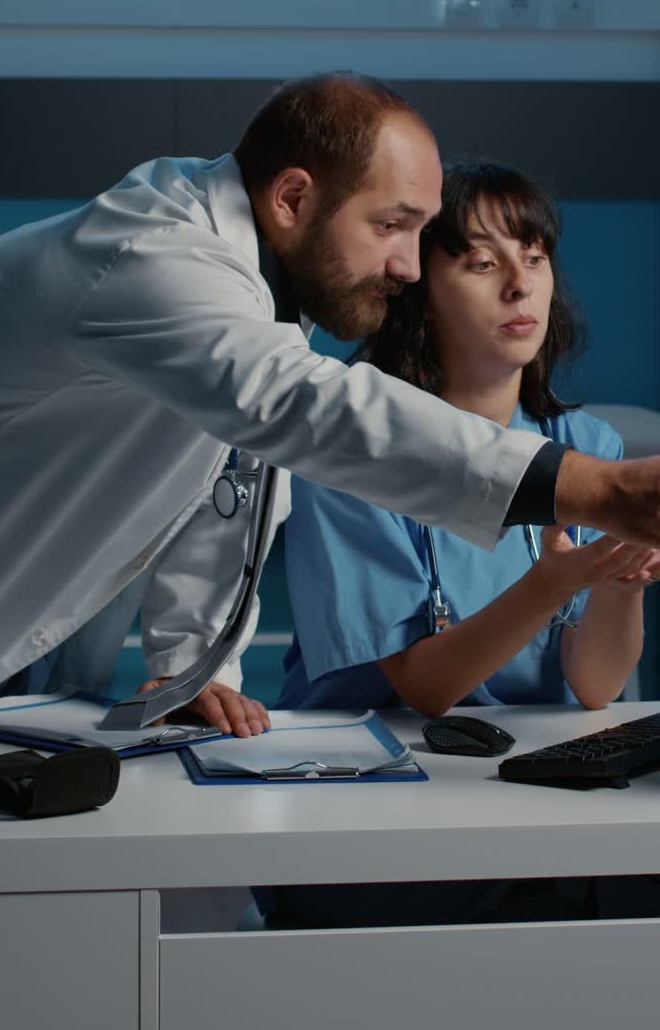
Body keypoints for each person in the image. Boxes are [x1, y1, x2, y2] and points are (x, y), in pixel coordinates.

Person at [0, 76, 660, 737]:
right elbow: (301, 407)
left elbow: (221, 488)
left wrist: (191, 668)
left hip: (0, 640)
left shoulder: (269, 290)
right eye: (391, 225)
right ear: (292, 199)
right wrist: (602, 488)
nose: (408, 266)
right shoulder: (154, 256)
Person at [258, 160, 660, 927]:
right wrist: (552, 582)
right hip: (366, 809)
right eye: (482, 262)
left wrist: (616, 583)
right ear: (417, 295)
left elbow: (596, 688)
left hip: (524, 799)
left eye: (534, 258)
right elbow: (425, 689)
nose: (520, 285)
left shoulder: (585, 444)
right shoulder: (354, 450)